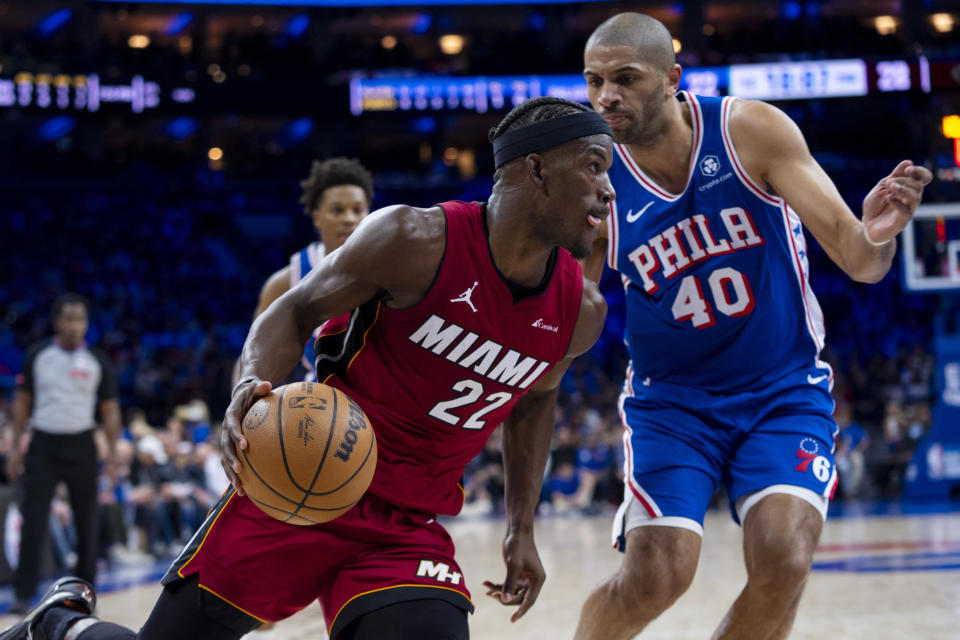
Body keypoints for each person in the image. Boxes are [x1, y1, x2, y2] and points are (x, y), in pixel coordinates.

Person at [1, 96, 613, 640]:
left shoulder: (580, 311)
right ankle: (61, 625)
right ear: (536, 168)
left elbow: (535, 400)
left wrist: (520, 527)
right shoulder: (414, 239)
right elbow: (288, 312)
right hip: (297, 484)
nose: (607, 190)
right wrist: (248, 388)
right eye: (593, 166)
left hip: (405, 526)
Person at [574, 13, 932, 640]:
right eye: (595, 80)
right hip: (671, 404)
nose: (607, 96)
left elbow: (859, 258)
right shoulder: (595, 177)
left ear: (671, 80)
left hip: (783, 390)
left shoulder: (750, 131)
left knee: (785, 559)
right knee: (658, 578)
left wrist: (879, 235)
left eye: (625, 78)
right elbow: (570, 315)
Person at [6, 293, 121, 613]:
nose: (73, 326)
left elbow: (110, 411)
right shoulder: (38, 355)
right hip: (43, 444)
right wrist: (16, 447)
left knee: (87, 522)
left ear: (86, 324)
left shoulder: (98, 361)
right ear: (57, 322)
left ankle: (84, 594)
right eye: (67, 319)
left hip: (82, 445)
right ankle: (22, 593)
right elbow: (22, 403)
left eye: (79, 319)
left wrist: (111, 457)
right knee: (33, 520)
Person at [245, 157, 374, 384]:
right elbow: (253, 357)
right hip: (320, 407)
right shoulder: (286, 281)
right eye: (337, 210)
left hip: (382, 405)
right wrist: (244, 392)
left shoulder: (389, 269)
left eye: (357, 210)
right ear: (317, 218)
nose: (349, 219)